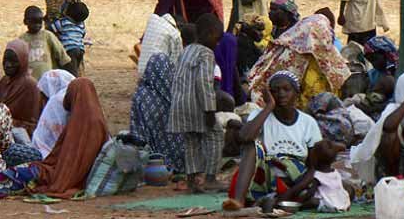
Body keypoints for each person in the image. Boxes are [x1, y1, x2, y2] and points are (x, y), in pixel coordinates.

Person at [0, 78, 109, 199]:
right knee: (18, 173)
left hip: (66, 175)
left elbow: (73, 159)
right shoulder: (92, 119)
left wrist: (50, 169)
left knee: (17, 175)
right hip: (61, 170)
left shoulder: (85, 122)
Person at [223, 71, 323, 211]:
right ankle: (238, 201)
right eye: (275, 91)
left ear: (296, 93)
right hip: (266, 176)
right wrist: (269, 106)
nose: (281, 94)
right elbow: (245, 137)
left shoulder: (308, 122)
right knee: (251, 146)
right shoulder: (260, 115)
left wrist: (290, 192)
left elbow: (314, 166)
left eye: (286, 89)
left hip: (295, 179)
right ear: (268, 95)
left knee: (318, 195)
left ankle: (275, 202)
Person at [168, 14, 225, 193]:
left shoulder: (187, 50)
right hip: (197, 105)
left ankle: (192, 180)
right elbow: (204, 83)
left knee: (191, 141)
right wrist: (209, 110)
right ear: (209, 34)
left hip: (180, 104)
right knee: (215, 134)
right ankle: (210, 178)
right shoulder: (206, 54)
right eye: (218, 37)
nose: (218, 43)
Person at [248, 14, 351, 109]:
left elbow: (343, 80)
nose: (324, 38)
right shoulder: (290, 56)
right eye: (320, 34)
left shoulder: (330, 54)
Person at [130, 54, 186, 187]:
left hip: (150, 162)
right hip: (183, 160)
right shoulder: (178, 92)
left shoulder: (140, 95)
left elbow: (136, 133)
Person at [0, 39, 42, 136]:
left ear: (23, 62)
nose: (7, 65)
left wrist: (6, 122)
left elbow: (34, 126)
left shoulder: (30, 86)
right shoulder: (4, 81)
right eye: (5, 60)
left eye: (13, 62)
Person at [297, 140, 351, 212]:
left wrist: (300, 201)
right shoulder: (335, 172)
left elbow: (310, 193)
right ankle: (343, 205)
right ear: (333, 159)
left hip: (328, 204)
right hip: (342, 202)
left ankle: (299, 207)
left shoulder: (317, 175)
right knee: (347, 190)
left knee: (312, 201)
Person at [31, 70, 75, 158]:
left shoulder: (56, 105)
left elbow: (41, 142)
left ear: (51, 88)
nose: (41, 99)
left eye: (43, 94)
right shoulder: (78, 98)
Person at [20, 6, 71, 80]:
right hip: (30, 81)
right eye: (34, 22)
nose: (37, 25)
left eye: (40, 22)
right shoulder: (22, 40)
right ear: (25, 21)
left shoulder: (47, 36)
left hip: (48, 81)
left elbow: (61, 55)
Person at [49, 2, 89, 77]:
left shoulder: (63, 22)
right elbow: (83, 34)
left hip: (69, 49)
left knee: (70, 73)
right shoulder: (81, 25)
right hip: (80, 50)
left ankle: (73, 85)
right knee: (74, 68)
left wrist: (51, 19)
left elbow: (52, 27)